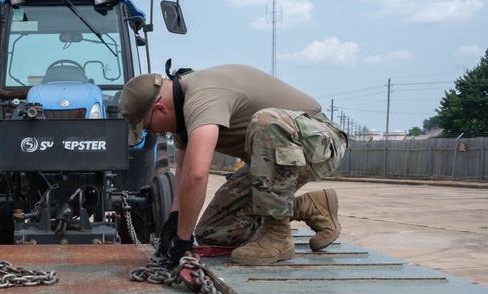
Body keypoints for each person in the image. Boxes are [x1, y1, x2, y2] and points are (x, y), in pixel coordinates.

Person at [120, 64, 348, 266]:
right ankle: (311, 206)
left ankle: (277, 235)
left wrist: (182, 241)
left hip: (319, 141)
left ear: (161, 109)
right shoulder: (182, 117)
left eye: (148, 126)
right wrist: (175, 222)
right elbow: (184, 171)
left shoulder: (202, 96)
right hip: (272, 162)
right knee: (214, 232)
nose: (152, 132)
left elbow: (198, 173)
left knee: (266, 122)